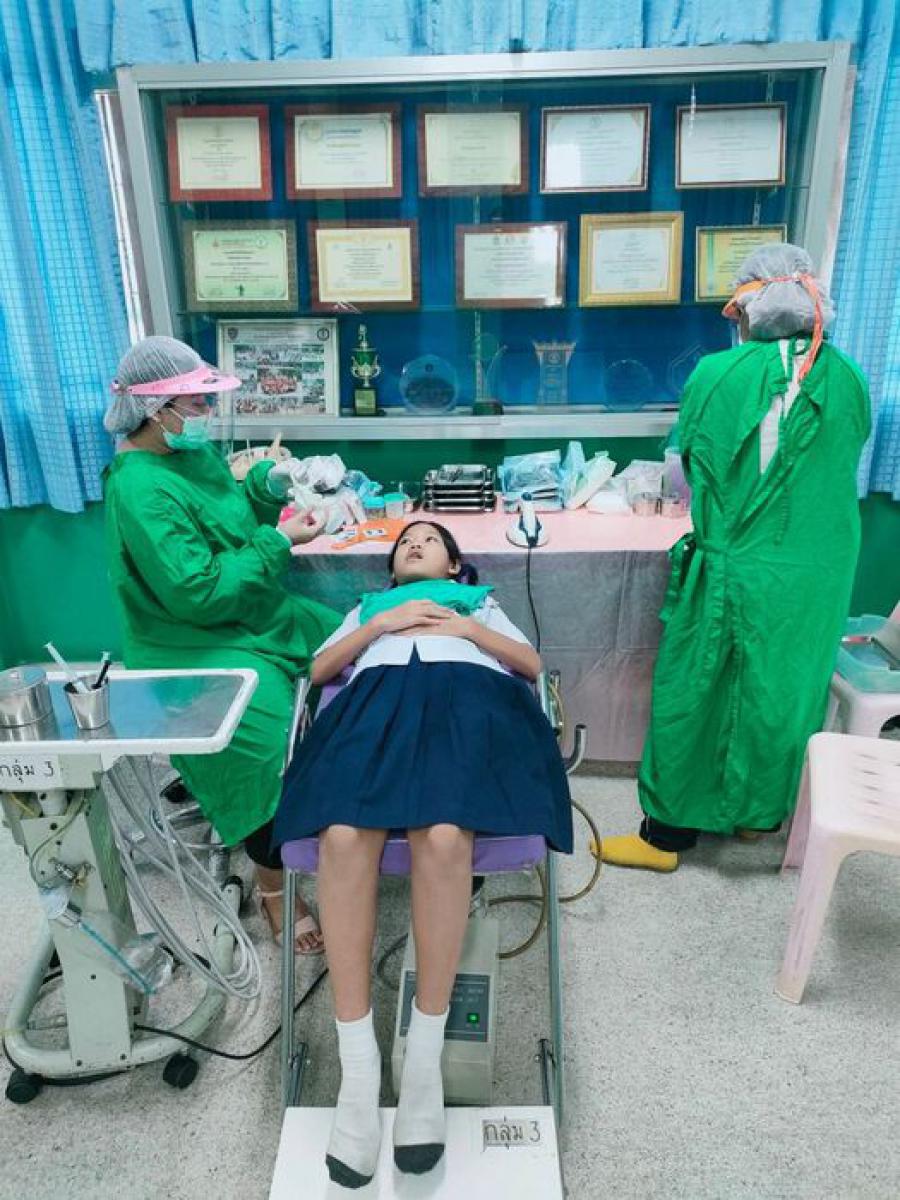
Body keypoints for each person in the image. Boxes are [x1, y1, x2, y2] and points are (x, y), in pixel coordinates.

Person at [273, 520, 573, 1188]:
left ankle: (422, 1069)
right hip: (373, 707)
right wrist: (382, 624)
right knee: (342, 837)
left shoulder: (479, 604)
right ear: (391, 571)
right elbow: (320, 670)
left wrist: (464, 628)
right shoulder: (368, 608)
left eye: (430, 539)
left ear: (455, 565)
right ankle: (358, 1073)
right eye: (405, 540)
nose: (414, 543)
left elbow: (529, 666)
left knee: (442, 835)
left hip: (467, 705)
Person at [600, 244, 871, 873]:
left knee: (695, 690)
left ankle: (665, 836)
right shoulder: (849, 377)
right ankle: (756, 816)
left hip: (733, 564)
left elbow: (695, 467)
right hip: (817, 571)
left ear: (749, 307)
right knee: (784, 690)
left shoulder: (720, 375)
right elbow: (840, 461)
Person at [103, 336, 341, 951]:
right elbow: (198, 592)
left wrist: (272, 482)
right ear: (156, 410)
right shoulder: (140, 488)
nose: (206, 414)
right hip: (191, 643)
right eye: (196, 403)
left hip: (255, 613)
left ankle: (347, 792)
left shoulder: (186, 453)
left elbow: (229, 511)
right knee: (265, 750)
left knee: (354, 643)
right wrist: (279, 542)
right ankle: (274, 887)